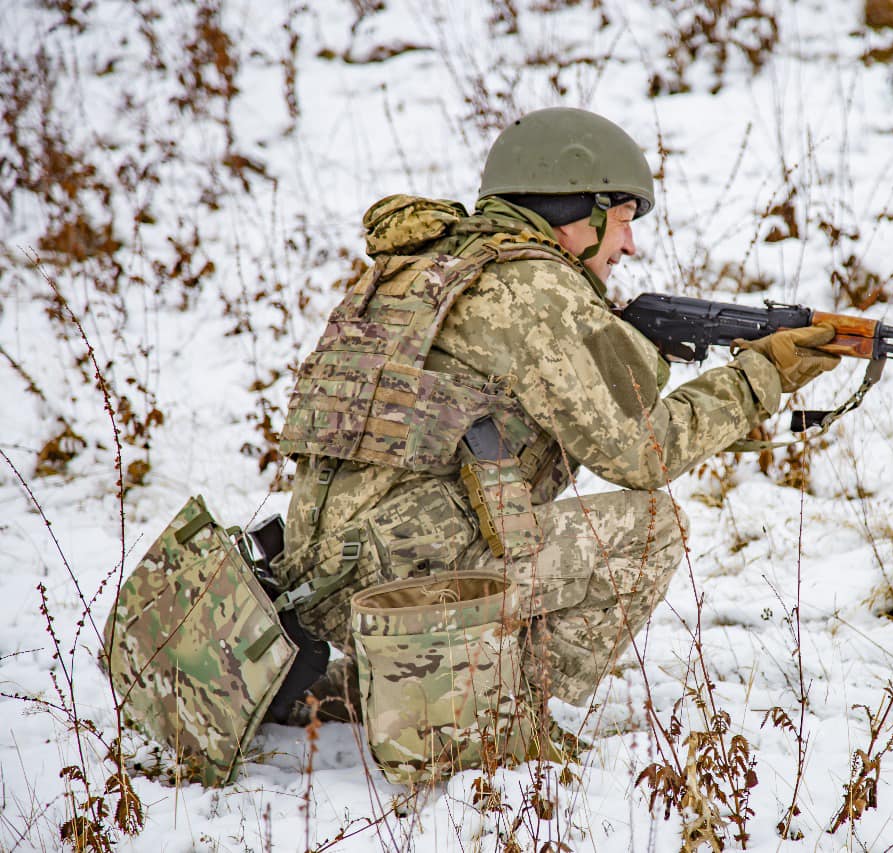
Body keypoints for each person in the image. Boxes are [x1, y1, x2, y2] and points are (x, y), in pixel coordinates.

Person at [271, 107, 838, 783]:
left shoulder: (427, 266)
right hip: (402, 591)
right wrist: (758, 380)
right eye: (624, 219)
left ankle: (380, 685)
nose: (628, 246)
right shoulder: (536, 288)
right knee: (651, 527)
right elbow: (641, 455)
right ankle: (493, 720)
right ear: (576, 208)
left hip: (323, 578)